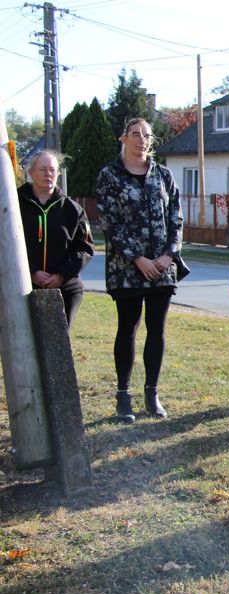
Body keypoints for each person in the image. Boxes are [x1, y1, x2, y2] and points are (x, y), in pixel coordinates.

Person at [96, 117, 184, 423]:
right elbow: (110, 222)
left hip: (162, 268)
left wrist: (168, 255)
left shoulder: (163, 174)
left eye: (147, 136)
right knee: (128, 328)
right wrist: (138, 259)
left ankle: (151, 393)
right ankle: (123, 396)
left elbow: (176, 218)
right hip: (126, 269)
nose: (142, 140)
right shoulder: (110, 175)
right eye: (136, 134)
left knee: (157, 329)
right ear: (124, 139)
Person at [17, 150, 94, 327]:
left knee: (58, 339)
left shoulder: (73, 209)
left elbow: (84, 246)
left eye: (52, 170)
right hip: (22, 284)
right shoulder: (13, 205)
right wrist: (31, 272)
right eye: (43, 169)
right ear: (31, 172)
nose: (48, 174)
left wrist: (61, 275)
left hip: (65, 286)